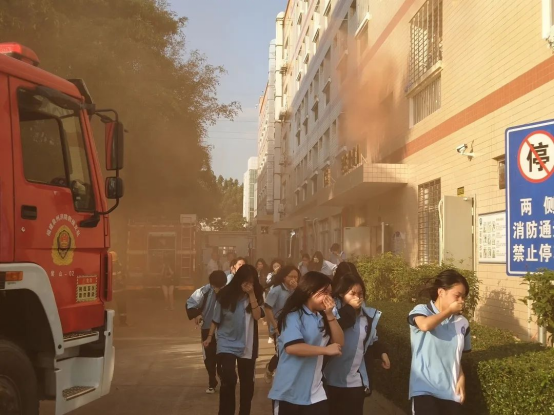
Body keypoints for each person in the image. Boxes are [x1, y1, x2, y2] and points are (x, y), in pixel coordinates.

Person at [268, 271, 344, 415]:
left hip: (315, 393)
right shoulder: (293, 316)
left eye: (330, 293)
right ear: (310, 291)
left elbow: (339, 342)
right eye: (324, 292)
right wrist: (325, 350)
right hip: (288, 392)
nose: (328, 298)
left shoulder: (324, 316)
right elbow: (292, 347)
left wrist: (330, 315)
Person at [324, 273, 390, 415]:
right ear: (341, 294)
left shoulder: (367, 318)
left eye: (360, 294)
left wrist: (382, 353)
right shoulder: (333, 313)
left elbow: (371, 341)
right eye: (352, 294)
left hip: (355, 381)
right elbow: (335, 329)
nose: (357, 297)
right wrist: (349, 309)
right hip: (330, 379)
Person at [203, 264, 264, 415]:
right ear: (239, 280)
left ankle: (244, 412)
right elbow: (216, 319)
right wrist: (209, 337)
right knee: (229, 377)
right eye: (245, 281)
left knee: (247, 384)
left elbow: (257, 316)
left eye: (251, 282)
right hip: (227, 341)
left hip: (248, 343)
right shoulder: (225, 295)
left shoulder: (256, 295)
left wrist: (251, 294)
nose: (248, 285)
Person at [408, 270, 471, 415]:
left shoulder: (462, 323)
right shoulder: (421, 310)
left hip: (451, 392)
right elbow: (425, 325)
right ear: (441, 292)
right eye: (457, 296)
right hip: (423, 389)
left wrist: (461, 376)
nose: (461, 301)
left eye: (463, 297)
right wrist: (449, 311)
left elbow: (456, 356)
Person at [186, 271, 227, 394]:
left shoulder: (228, 292)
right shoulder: (203, 291)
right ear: (212, 285)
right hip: (207, 328)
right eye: (216, 287)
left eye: (221, 286)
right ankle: (212, 381)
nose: (218, 289)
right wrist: (197, 314)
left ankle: (223, 378)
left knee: (223, 356)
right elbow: (190, 303)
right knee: (209, 357)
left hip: (223, 329)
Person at [263, 265, 300, 383]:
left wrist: (298, 289)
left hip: (294, 325)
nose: (293, 279)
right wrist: (274, 325)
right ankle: (270, 368)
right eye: (291, 276)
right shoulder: (276, 290)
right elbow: (268, 308)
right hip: (279, 326)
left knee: (291, 351)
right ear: (284, 277)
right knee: (281, 352)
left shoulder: (298, 290)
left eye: (296, 277)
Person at [110, 250, 128, 326]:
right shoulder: (106, 267)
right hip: (112, 291)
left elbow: (125, 276)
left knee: (122, 307)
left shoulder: (120, 266)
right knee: (110, 308)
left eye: (114, 261)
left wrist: (122, 281)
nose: (114, 262)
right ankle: (110, 323)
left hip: (118, 290)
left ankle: (123, 322)